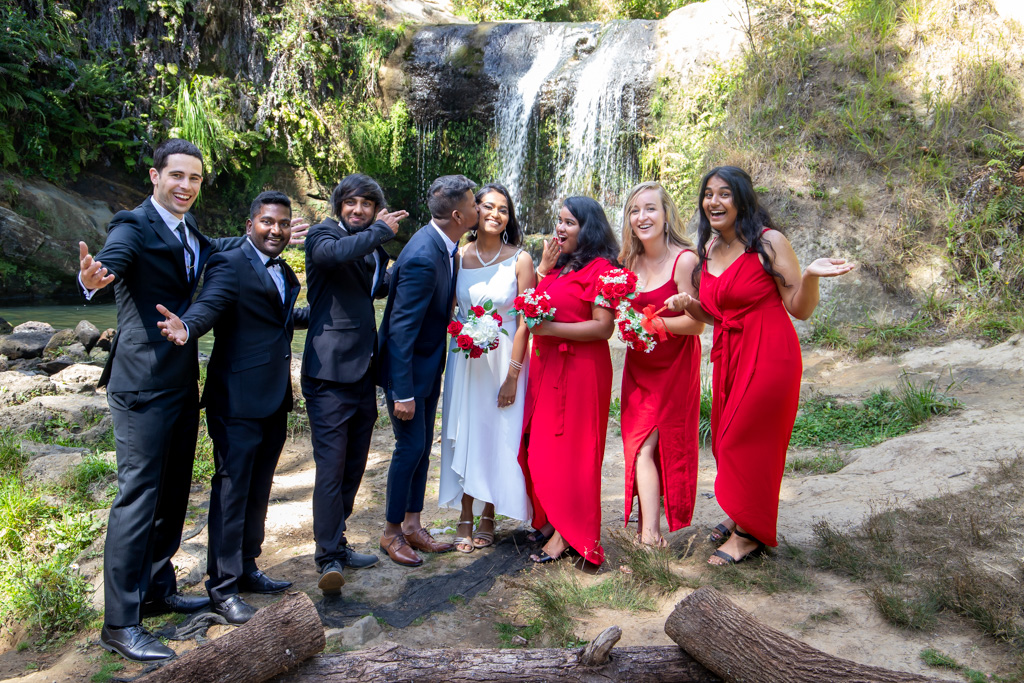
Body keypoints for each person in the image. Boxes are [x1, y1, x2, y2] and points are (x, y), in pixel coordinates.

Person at [76, 139, 307, 662]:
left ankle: (155, 590)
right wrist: (91, 280)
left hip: (181, 384)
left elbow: (229, 244)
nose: (185, 186)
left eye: (194, 179)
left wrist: (274, 234)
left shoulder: (190, 234)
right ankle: (119, 622)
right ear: (155, 177)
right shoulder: (132, 224)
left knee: (172, 496)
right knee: (137, 499)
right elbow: (112, 259)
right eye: (176, 176)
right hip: (140, 385)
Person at [666, 166, 854, 565]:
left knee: (744, 439)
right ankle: (740, 515)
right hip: (730, 355)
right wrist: (690, 305)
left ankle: (751, 534)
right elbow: (719, 314)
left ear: (742, 199)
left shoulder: (769, 243)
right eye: (708, 194)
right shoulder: (710, 249)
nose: (714, 202)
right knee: (723, 439)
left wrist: (811, 276)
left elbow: (798, 309)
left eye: (724, 194)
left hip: (769, 353)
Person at [155, 191, 309, 624]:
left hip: (275, 397)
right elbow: (211, 304)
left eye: (282, 223)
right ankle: (221, 588)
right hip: (236, 399)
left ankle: (246, 567)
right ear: (249, 225)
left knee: (259, 488)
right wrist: (188, 325)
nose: (275, 229)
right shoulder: (230, 263)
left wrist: (328, 314)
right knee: (231, 492)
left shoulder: (279, 269)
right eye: (267, 222)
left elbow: (276, 318)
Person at [301, 174, 407, 593]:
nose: (357, 209)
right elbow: (333, 255)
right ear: (338, 206)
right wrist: (381, 230)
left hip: (363, 372)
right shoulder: (322, 235)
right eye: (351, 203)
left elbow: (380, 285)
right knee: (330, 467)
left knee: (354, 465)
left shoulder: (372, 249)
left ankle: (338, 542)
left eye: (366, 203)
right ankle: (327, 555)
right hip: (328, 374)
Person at [377, 175, 478, 567]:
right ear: (457, 214)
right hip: (408, 374)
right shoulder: (422, 255)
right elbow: (400, 331)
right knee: (410, 449)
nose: (478, 209)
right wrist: (402, 390)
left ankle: (413, 525)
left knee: (419, 450)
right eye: (473, 204)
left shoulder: (443, 244)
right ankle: (390, 533)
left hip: (427, 367)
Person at [518, 196, 619, 566]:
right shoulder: (561, 265)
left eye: (569, 223)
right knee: (541, 447)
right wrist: (543, 272)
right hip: (547, 368)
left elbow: (603, 327)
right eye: (559, 221)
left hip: (580, 370)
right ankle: (550, 519)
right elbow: (538, 304)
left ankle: (569, 534)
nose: (560, 228)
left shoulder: (604, 269)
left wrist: (548, 329)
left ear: (588, 227)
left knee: (574, 452)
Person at [439, 183, 534, 552]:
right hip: (464, 360)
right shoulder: (459, 256)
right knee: (465, 431)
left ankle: (490, 513)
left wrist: (513, 375)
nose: (496, 214)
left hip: (504, 359)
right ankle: (465, 513)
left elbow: (526, 320)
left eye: (504, 210)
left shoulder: (520, 259)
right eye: (488, 207)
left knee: (498, 434)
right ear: (474, 210)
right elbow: (449, 309)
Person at [618, 182, 704, 548]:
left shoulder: (685, 260)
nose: (642, 217)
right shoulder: (627, 262)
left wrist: (654, 324)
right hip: (639, 366)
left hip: (674, 365)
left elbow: (696, 323)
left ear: (666, 214)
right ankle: (648, 524)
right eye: (635, 210)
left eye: (650, 208)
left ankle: (650, 535)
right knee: (637, 446)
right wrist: (629, 327)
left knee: (649, 446)